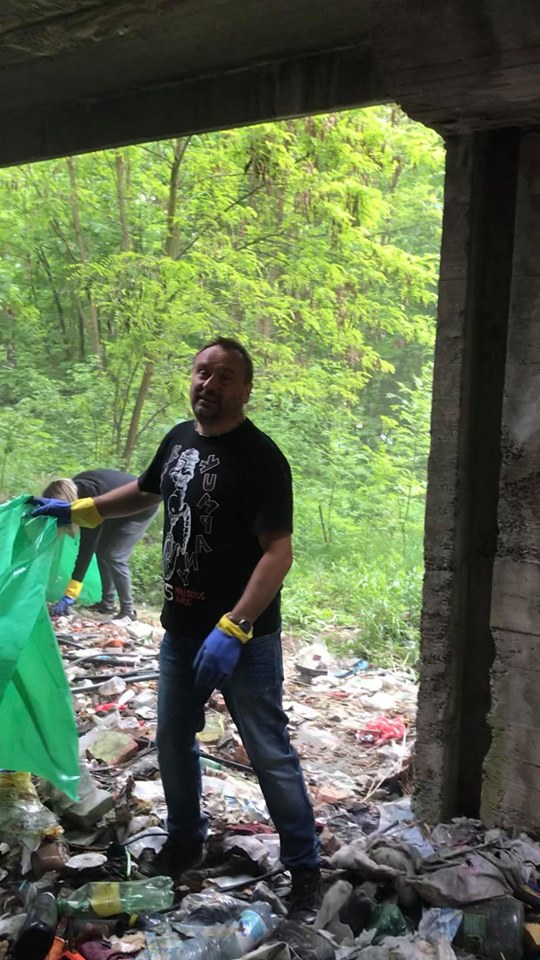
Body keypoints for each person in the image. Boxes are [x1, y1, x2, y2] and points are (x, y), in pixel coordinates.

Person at [31, 337, 321, 916]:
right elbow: (143, 492)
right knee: (171, 740)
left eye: (224, 376)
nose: (209, 384)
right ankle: (186, 841)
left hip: (242, 641)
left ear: (245, 389)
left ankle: (305, 867)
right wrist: (80, 509)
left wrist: (235, 626)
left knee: (268, 751)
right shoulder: (179, 439)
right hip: (182, 632)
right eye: (201, 372)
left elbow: (278, 553)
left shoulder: (261, 458)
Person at [41, 470, 159, 626]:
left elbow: (86, 549)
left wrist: (71, 593)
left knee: (114, 556)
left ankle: (128, 612)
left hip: (141, 505)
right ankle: (107, 604)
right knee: (102, 551)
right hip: (116, 506)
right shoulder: (74, 489)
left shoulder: (86, 500)